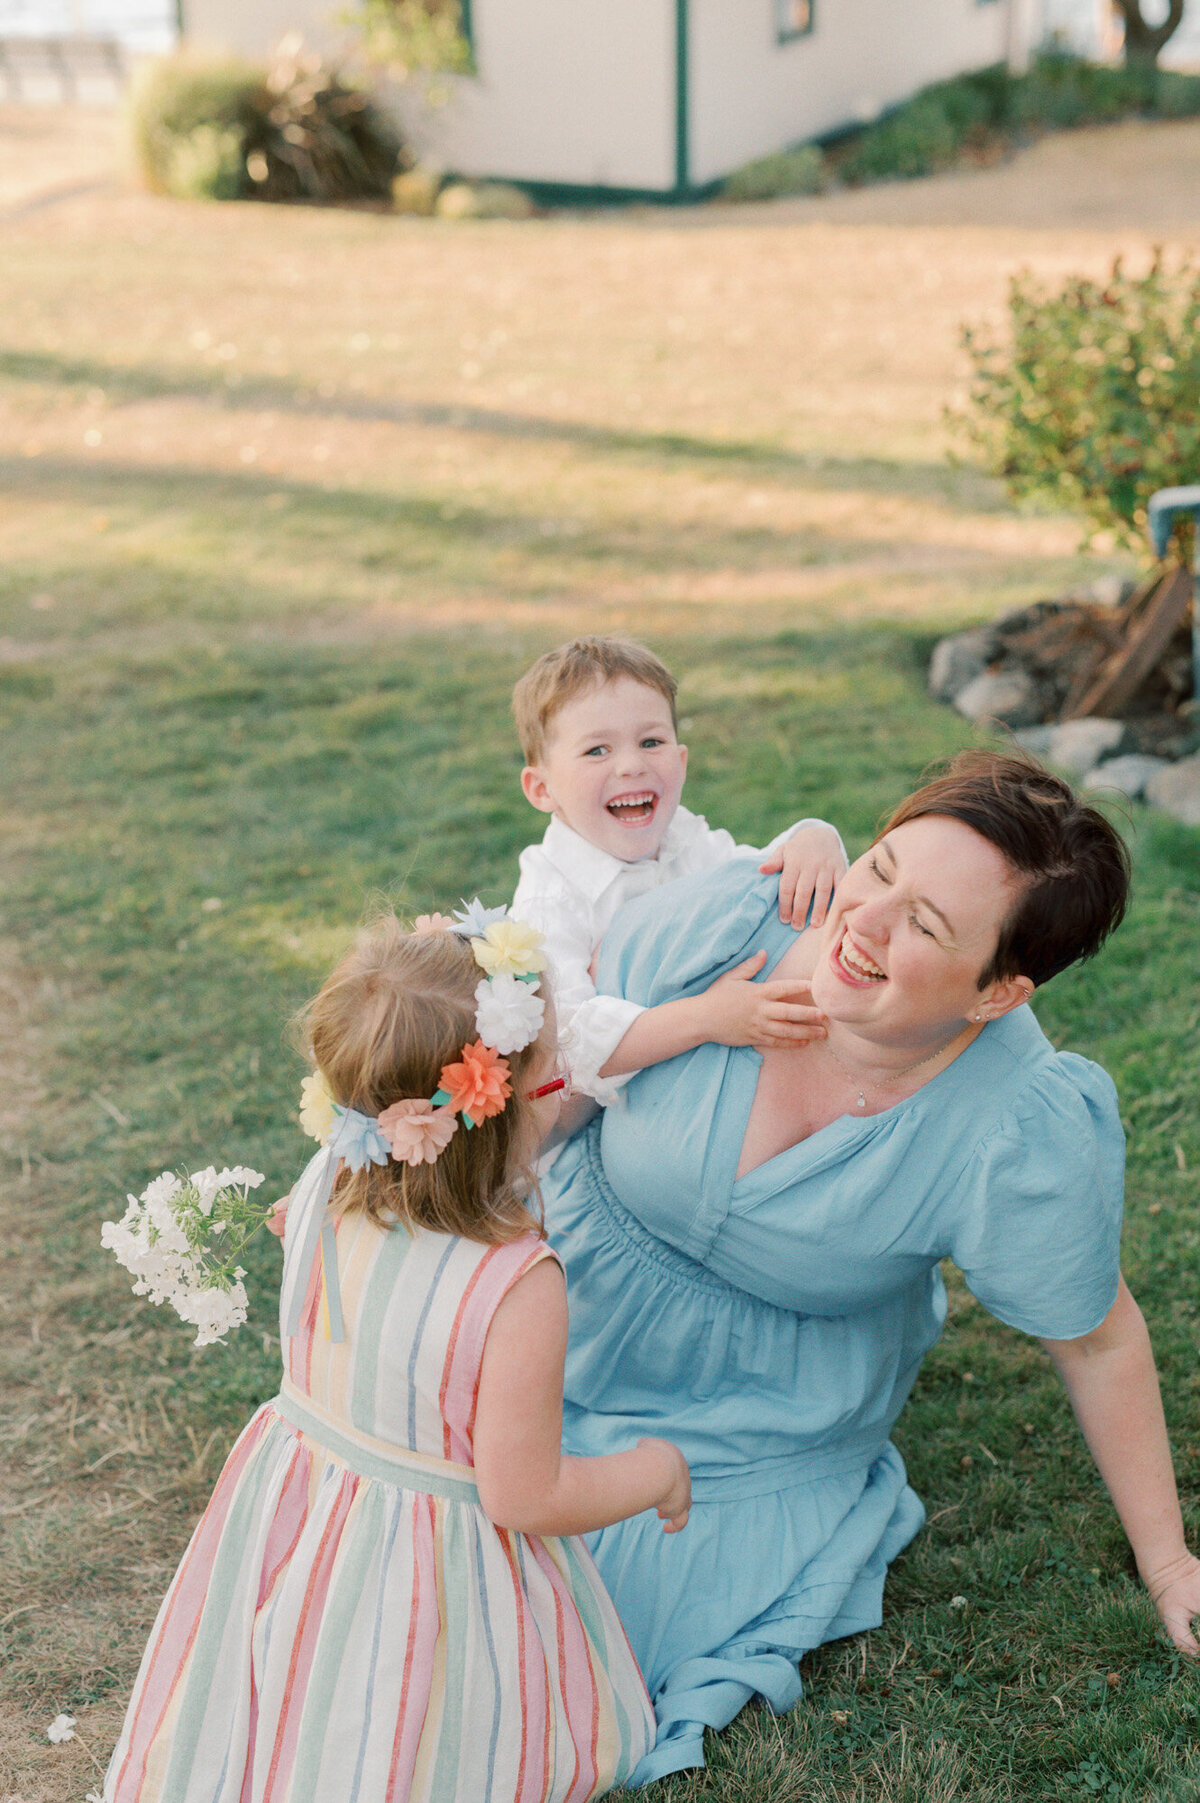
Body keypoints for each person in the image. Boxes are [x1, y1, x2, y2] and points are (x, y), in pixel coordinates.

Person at [540, 751, 1200, 1786]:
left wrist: (1168, 1562)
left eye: (927, 925)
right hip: (545, 1309)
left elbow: (1096, 1336)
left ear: (1000, 990)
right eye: (882, 866)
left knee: (564, 1643)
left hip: (748, 1417)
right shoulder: (735, 919)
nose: (867, 921)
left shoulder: (1015, 1123)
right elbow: (555, 1065)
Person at [102, 906, 690, 1803]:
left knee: (305, 1669)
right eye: (553, 1075)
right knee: (412, 1711)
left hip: (301, 1514)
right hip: (428, 1570)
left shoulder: (326, 1181)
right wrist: (655, 1468)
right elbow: (524, 1493)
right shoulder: (518, 1285)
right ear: (498, 1107)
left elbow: (314, 1247)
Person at [511, 635, 846, 1102]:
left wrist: (812, 836)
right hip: (617, 1116)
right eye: (597, 751)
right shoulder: (550, 900)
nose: (631, 764)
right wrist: (707, 1017)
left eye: (651, 742)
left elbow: (756, 878)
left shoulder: (684, 839)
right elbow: (568, 1047)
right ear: (542, 789)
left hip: (710, 1070)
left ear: (681, 761)